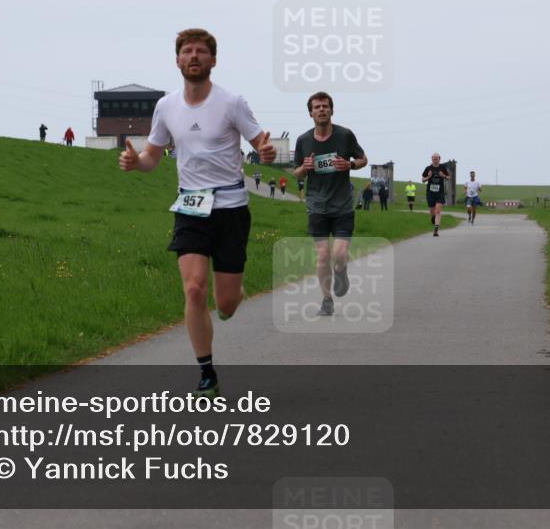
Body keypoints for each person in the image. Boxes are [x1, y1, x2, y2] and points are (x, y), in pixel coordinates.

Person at [119, 28, 275, 399]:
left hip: (231, 208)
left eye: (201, 52)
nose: (193, 57)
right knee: (192, 288)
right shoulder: (166, 106)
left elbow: (260, 145)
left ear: (213, 60)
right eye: (187, 51)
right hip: (190, 206)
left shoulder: (232, 102)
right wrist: (133, 162)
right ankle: (207, 373)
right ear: (177, 60)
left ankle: (229, 298)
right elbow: (152, 158)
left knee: (226, 303)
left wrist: (266, 154)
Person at [293, 92, 367, 316]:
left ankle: (341, 270)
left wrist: (350, 165)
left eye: (325, 106)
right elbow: (296, 173)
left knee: (340, 253)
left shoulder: (345, 136)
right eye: (317, 107)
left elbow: (363, 159)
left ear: (331, 110)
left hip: (342, 204)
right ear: (310, 113)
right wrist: (304, 168)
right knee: (323, 254)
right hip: (317, 205)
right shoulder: (303, 140)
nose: (321, 110)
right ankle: (327, 300)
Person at [422, 153, 450, 237]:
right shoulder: (428, 168)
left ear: (439, 159)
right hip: (430, 193)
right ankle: (433, 219)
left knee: (438, 210)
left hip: (440, 192)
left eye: (436, 158)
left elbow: (449, 177)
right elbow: (423, 180)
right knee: (432, 211)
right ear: (431, 159)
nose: (435, 159)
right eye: (433, 158)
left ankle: (436, 229)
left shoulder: (442, 168)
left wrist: (444, 176)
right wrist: (428, 177)